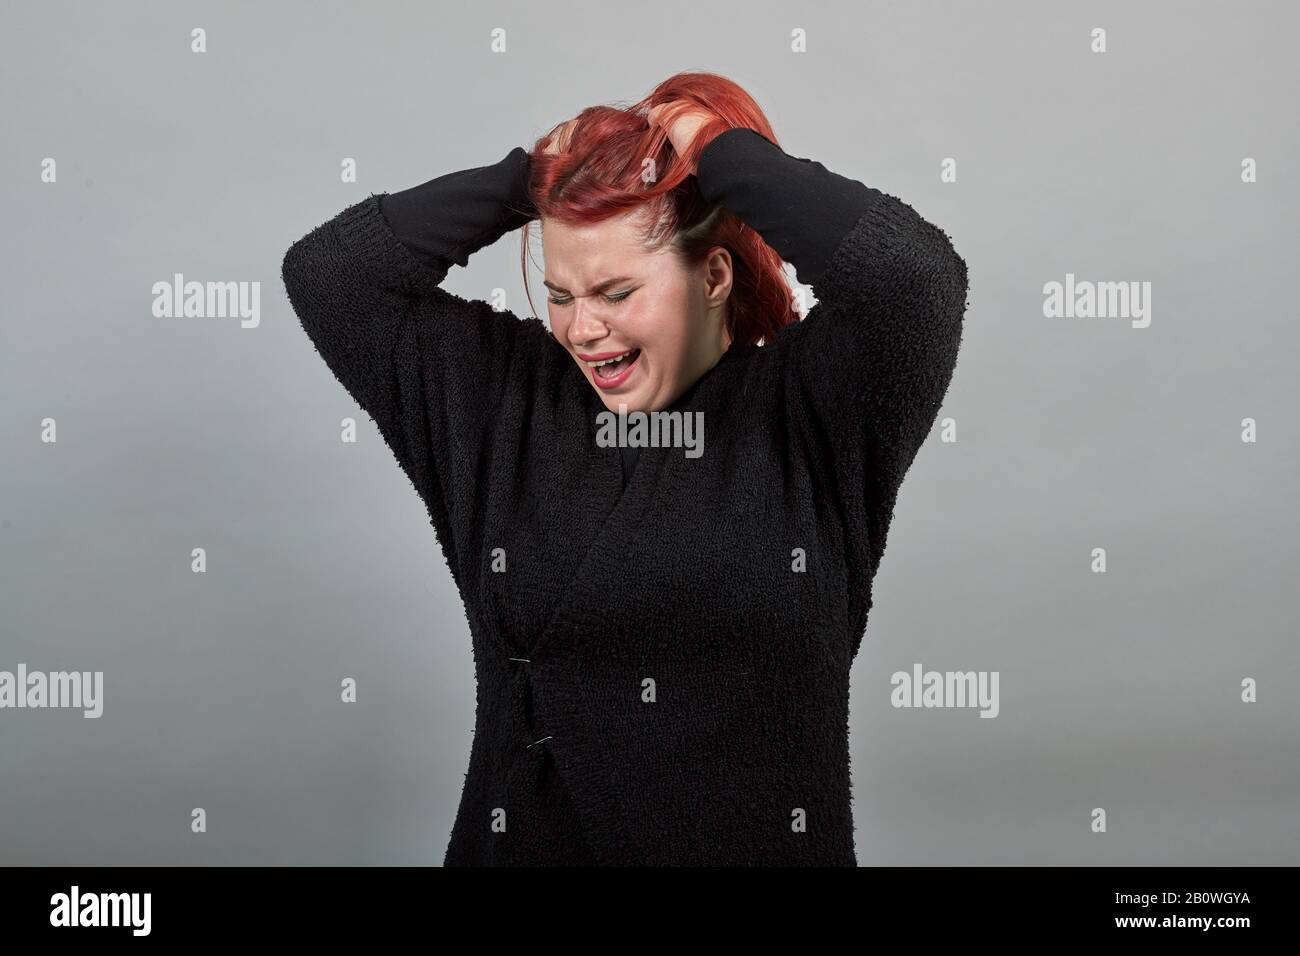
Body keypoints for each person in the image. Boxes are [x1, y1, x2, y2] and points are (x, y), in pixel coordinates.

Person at [281, 71, 969, 866]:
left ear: (713, 278)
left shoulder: (813, 413)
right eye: (561, 295)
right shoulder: (500, 406)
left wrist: (715, 151)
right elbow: (331, 274)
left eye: (614, 292)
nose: (583, 330)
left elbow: (917, 279)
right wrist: (533, 179)